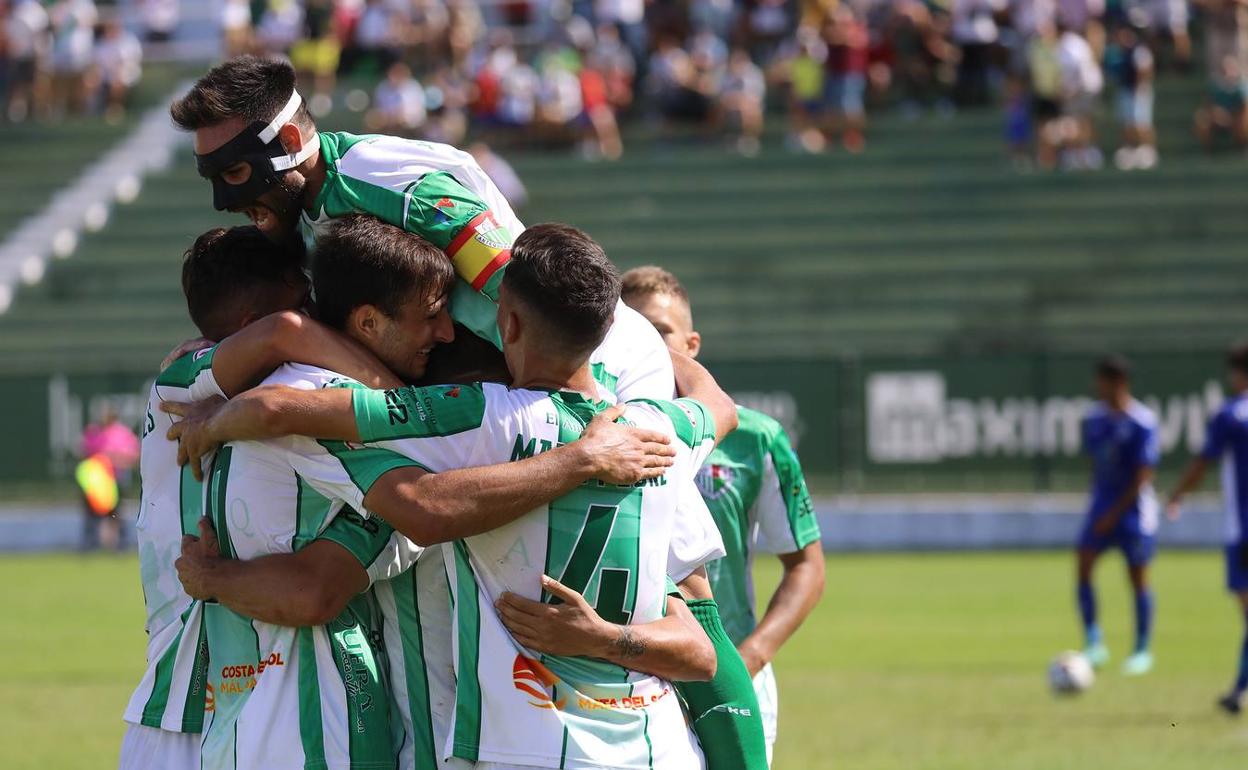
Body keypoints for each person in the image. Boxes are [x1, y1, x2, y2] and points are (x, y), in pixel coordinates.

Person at [170, 59, 765, 762]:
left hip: (585, 372)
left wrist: (590, 410)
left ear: (292, 138)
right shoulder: (313, 213)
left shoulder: (382, 180)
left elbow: (522, 287)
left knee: (674, 582)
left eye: (237, 173)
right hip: (512, 392)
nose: (226, 198)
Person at [120, 225, 405, 770]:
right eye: (302, 299)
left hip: (230, 720)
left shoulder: (219, 392)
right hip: (196, 718)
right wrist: (402, 397)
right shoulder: (188, 386)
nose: (317, 317)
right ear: (249, 328)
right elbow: (284, 332)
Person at [620, 266, 825, 765]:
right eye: (637, 331)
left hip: (734, 670)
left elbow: (807, 566)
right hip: (637, 672)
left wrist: (749, 658)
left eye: (662, 332)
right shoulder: (602, 435)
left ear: (692, 344)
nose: (652, 346)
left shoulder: (755, 438)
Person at [1166, 343, 1248, 715]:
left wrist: (1176, 496)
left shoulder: (1232, 415)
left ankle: (1238, 691)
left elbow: (1203, 463)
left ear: (1237, 373)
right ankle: (1238, 690)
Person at [1075, 355, 1161, 676]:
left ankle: (1141, 650)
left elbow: (1143, 475)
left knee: (1137, 578)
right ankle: (1094, 641)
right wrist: (1098, 504)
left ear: (1119, 383)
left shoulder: (1142, 421)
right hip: (1101, 507)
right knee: (1083, 565)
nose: (1098, 387)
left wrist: (1115, 512)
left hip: (1133, 511)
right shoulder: (1094, 419)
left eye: (1103, 381)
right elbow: (1096, 465)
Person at [78, 406, 138, 551]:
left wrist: (113, 459)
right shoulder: (94, 432)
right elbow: (84, 452)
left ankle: (121, 544)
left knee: (116, 513)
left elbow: (133, 456)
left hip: (115, 479)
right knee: (90, 513)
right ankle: (90, 543)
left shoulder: (122, 434)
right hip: (96, 481)